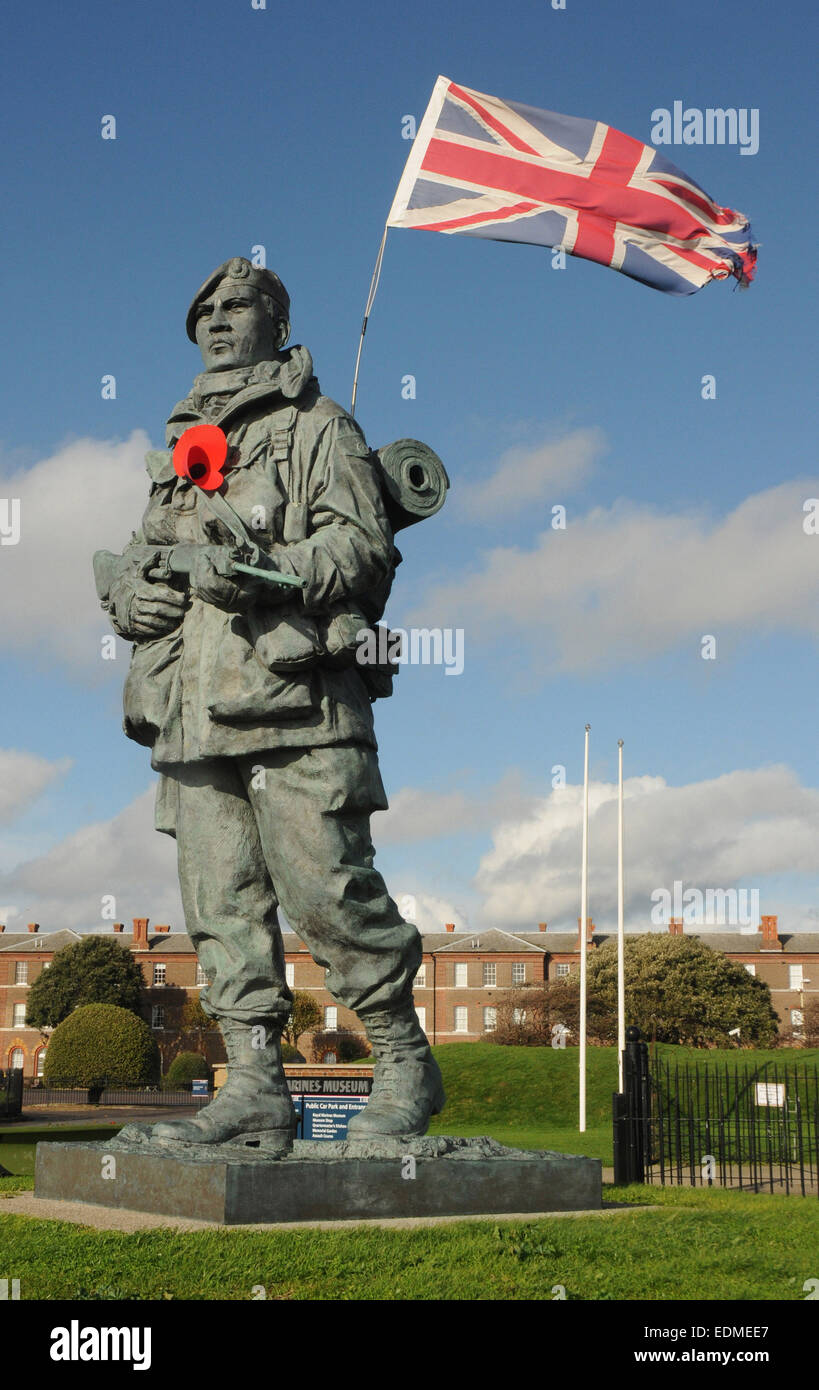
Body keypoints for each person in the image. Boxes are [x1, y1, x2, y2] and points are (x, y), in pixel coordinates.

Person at [95, 257, 444, 1146]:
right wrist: (129, 595)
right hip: (194, 710)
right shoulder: (178, 453)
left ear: (276, 324)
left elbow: (362, 553)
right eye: (203, 309)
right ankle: (252, 1083)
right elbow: (142, 556)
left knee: (327, 891)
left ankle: (403, 1061)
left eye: (237, 304)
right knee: (222, 907)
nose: (216, 318)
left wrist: (257, 571)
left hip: (296, 700)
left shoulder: (319, 424)